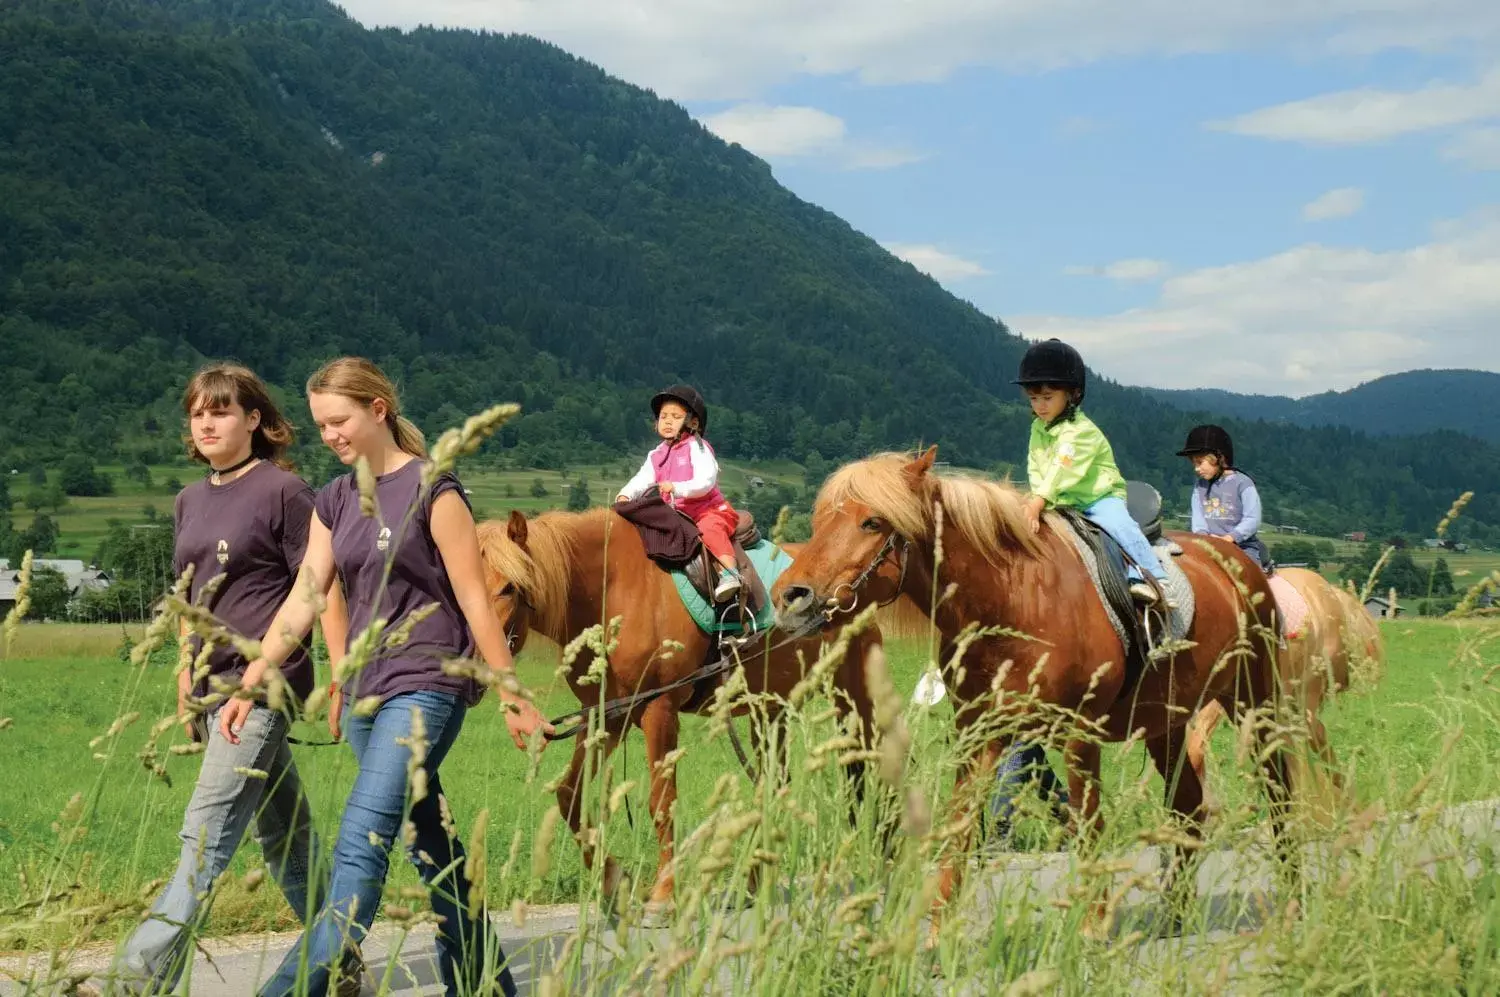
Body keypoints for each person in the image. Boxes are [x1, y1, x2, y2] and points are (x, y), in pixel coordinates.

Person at [220, 357, 551, 997]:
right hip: (369, 697)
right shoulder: (334, 500)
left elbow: (478, 601)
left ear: (378, 410)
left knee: (359, 849)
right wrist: (253, 675)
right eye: (320, 425)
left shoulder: (436, 490)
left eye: (339, 420)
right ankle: (486, 985)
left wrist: (513, 694)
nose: (330, 436)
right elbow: (305, 595)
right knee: (432, 847)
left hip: (428, 684)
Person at [84, 363, 354, 997]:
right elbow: (190, 593)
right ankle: (337, 960)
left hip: (260, 686)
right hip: (209, 686)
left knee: (203, 834)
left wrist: (339, 676)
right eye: (198, 413)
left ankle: (133, 980)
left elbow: (319, 584)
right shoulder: (189, 498)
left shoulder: (285, 493)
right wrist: (184, 669)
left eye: (222, 411)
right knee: (287, 838)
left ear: (254, 420)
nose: (206, 423)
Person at [1015, 339, 1170, 605]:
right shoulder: (1037, 429)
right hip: (1061, 500)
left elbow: (1061, 469)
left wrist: (1039, 500)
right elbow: (1036, 465)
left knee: (1119, 525)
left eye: (1048, 398)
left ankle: (1152, 576)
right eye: (1034, 398)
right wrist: (1035, 498)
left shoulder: (1081, 431)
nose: (1040, 406)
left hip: (1097, 498)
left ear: (1072, 395)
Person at [615, 383, 744, 601]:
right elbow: (642, 479)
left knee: (709, 530)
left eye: (675, 416)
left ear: (693, 422)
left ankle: (730, 574)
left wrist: (678, 488)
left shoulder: (698, 447)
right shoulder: (656, 454)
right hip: (676, 516)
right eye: (663, 416)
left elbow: (706, 480)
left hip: (708, 510)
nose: (667, 420)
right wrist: (625, 495)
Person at [1176, 424, 1275, 573]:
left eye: (1200, 462)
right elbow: (1198, 519)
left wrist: (1229, 538)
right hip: (1209, 545)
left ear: (1219, 458)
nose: (1196, 469)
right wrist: (1205, 539)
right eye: (1193, 463)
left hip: (1242, 546)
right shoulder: (1199, 487)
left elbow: (1253, 519)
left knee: (1247, 578)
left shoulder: (1243, 483)